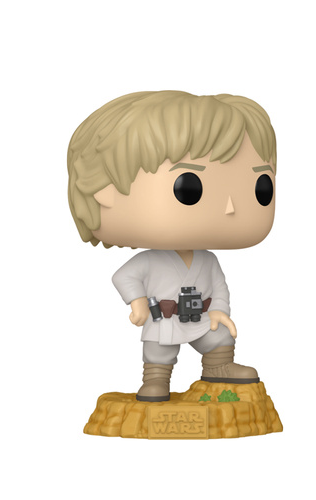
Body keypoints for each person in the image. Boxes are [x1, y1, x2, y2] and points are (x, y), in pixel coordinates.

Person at [67, 91, 277, 402]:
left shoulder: (207, 260)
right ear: (103, 192)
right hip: (165, 317)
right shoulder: (151, 261)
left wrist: (220, 310)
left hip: (201, 317)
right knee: (158, 351)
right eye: (188, 188)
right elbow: (123, 277)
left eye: (262, 188)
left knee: (219, 337)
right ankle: (155, 380)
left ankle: (219, 366)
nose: (230, 207)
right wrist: (138, 302)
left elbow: (220, 287)